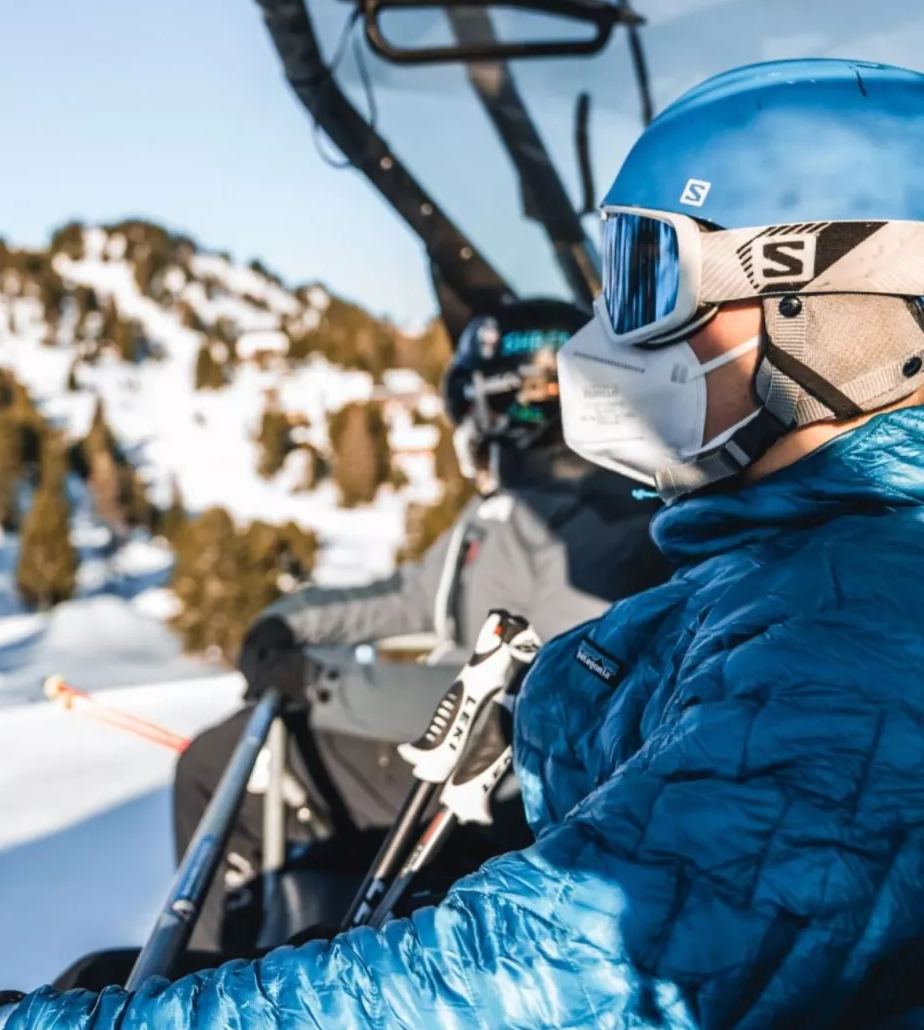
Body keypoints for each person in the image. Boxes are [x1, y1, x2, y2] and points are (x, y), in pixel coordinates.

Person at [0, 58, 924, 1030]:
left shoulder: (899, 627)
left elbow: (571, 987)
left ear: (842, 310)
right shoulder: (836, 570)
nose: (619, 340)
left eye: (650, 280)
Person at [171, 297, 671, 954]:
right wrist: (285, 624)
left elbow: (527, 695)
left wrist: (323, 685)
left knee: (215, 765)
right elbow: (403, 595)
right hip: (456, 758)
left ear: (501, 402)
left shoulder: (603, 524)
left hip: (500, 786)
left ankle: (200, 982)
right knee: (236, 754)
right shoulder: (505, 513)